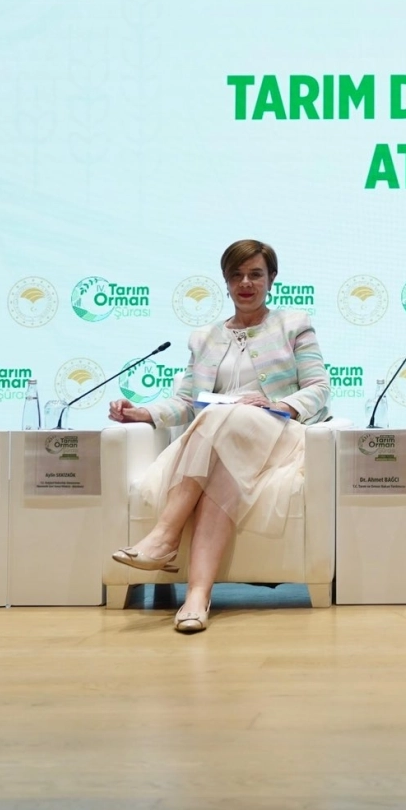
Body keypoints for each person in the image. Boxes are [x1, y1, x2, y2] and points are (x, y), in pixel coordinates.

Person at [109, 240, 329, 632]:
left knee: (220, 417)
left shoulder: (294, 324)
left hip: (277, 433)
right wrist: (144, 413)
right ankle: (197, 596)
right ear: (225, 282)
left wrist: (277, 404)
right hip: (220, 439)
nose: (246, 283)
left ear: (272, 279)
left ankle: (164, 536)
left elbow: (318, 387)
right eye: (236, 275)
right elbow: (186, 401)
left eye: (255, 274)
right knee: (220, 443)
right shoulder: (204, 338)